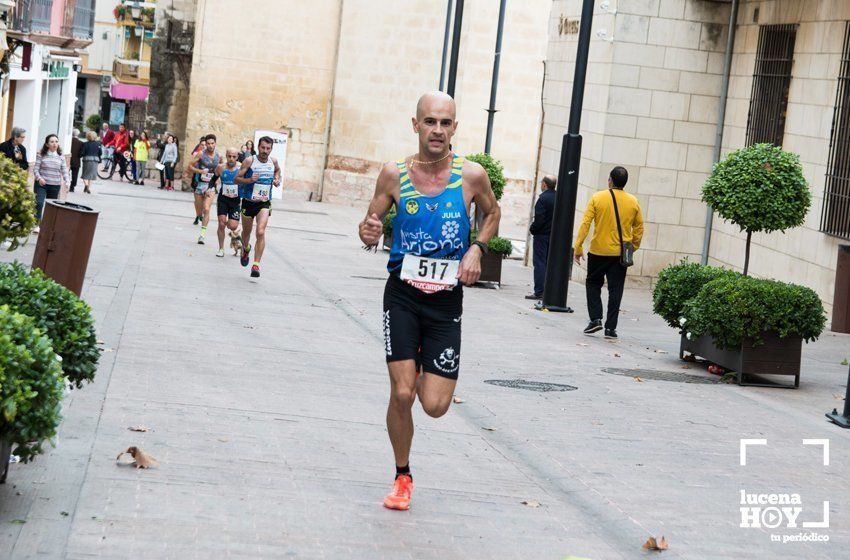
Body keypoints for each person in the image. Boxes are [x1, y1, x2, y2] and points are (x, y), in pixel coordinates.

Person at [357, 91, 501, 511]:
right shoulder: (393, 174)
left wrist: (477, 248)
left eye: (445, 123)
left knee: (435, 406)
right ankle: (403, 475)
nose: (437, 130)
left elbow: (492, 213)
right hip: (401, 295)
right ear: (415, 124)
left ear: (454, 128)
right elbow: (370, 224)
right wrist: (367, 233)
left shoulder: (472, 176)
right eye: (430, 122)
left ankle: (418, 366)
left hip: (445, 304)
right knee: (402, 393)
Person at [573, 166, 644, 339]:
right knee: (616, 289)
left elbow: (585, 223)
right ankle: (610, 328)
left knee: (593, 283)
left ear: (610, 180)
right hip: (620, 253)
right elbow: (639, 228)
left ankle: (596, 318)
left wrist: (578, 247)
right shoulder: (633, 201)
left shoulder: (598, 198)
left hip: (598, 251)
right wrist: (632, 247)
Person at [235, 136, 281, 278]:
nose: (265, 151)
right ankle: (246, 248)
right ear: (258, 147)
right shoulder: (249, 161)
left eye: (268, 148)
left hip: (264, 203)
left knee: (260, 232)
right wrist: (249, 180)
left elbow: (277, 171)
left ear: (271, 149)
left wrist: (277, 179)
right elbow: (236, 179)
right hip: (249, 202)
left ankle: (256, 264)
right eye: (262, 148)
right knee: (246, 234)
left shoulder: (273, 161)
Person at [526, 175, 557, 300]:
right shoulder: (559, 198)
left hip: (541, 236)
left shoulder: (542, 199)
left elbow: (539, 219)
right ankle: (550, 291)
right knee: (550, 263)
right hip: (554, 237)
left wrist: (532, 229)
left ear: (544, 184)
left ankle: (539, 291)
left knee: (539, 263)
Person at [187, 134, 221, 243]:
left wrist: (219, 179)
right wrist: (201, 171)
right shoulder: (201, 154)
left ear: (215, 143)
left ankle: (202, 235)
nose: (210, 146)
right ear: (205, 144)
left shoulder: (218, 156)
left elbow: (220, 169)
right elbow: (190, 166)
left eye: (212, 143)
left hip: (210, 186)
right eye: (208, 144)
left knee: (206, 208)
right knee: (199, 211)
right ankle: (198, 216)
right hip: (200, 185)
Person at [32, 134, 70, 230]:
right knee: (39, 203)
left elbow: (64, 170)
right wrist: (40, 178)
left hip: (55, 185)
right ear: (47, 144)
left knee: (51, 207)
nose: (54, 144)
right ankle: (36, 224)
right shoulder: (41, 155)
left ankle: (46, 226)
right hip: (42, 184)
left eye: (56, 141)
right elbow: (36, 170)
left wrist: (67, 182)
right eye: (52, 142)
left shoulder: (61, 157)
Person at [214, 148, 242, 258]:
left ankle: (235, 233)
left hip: (235, 201)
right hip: (223, 199)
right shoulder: (221, 167)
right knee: (221, 223)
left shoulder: (241, 168)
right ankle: (221, 249)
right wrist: (210, 188)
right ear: (226, 155)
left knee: (232, 226)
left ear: (237, 157)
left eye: (234, 156)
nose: (231, 158)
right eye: (229, 156)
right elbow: (213, 179)